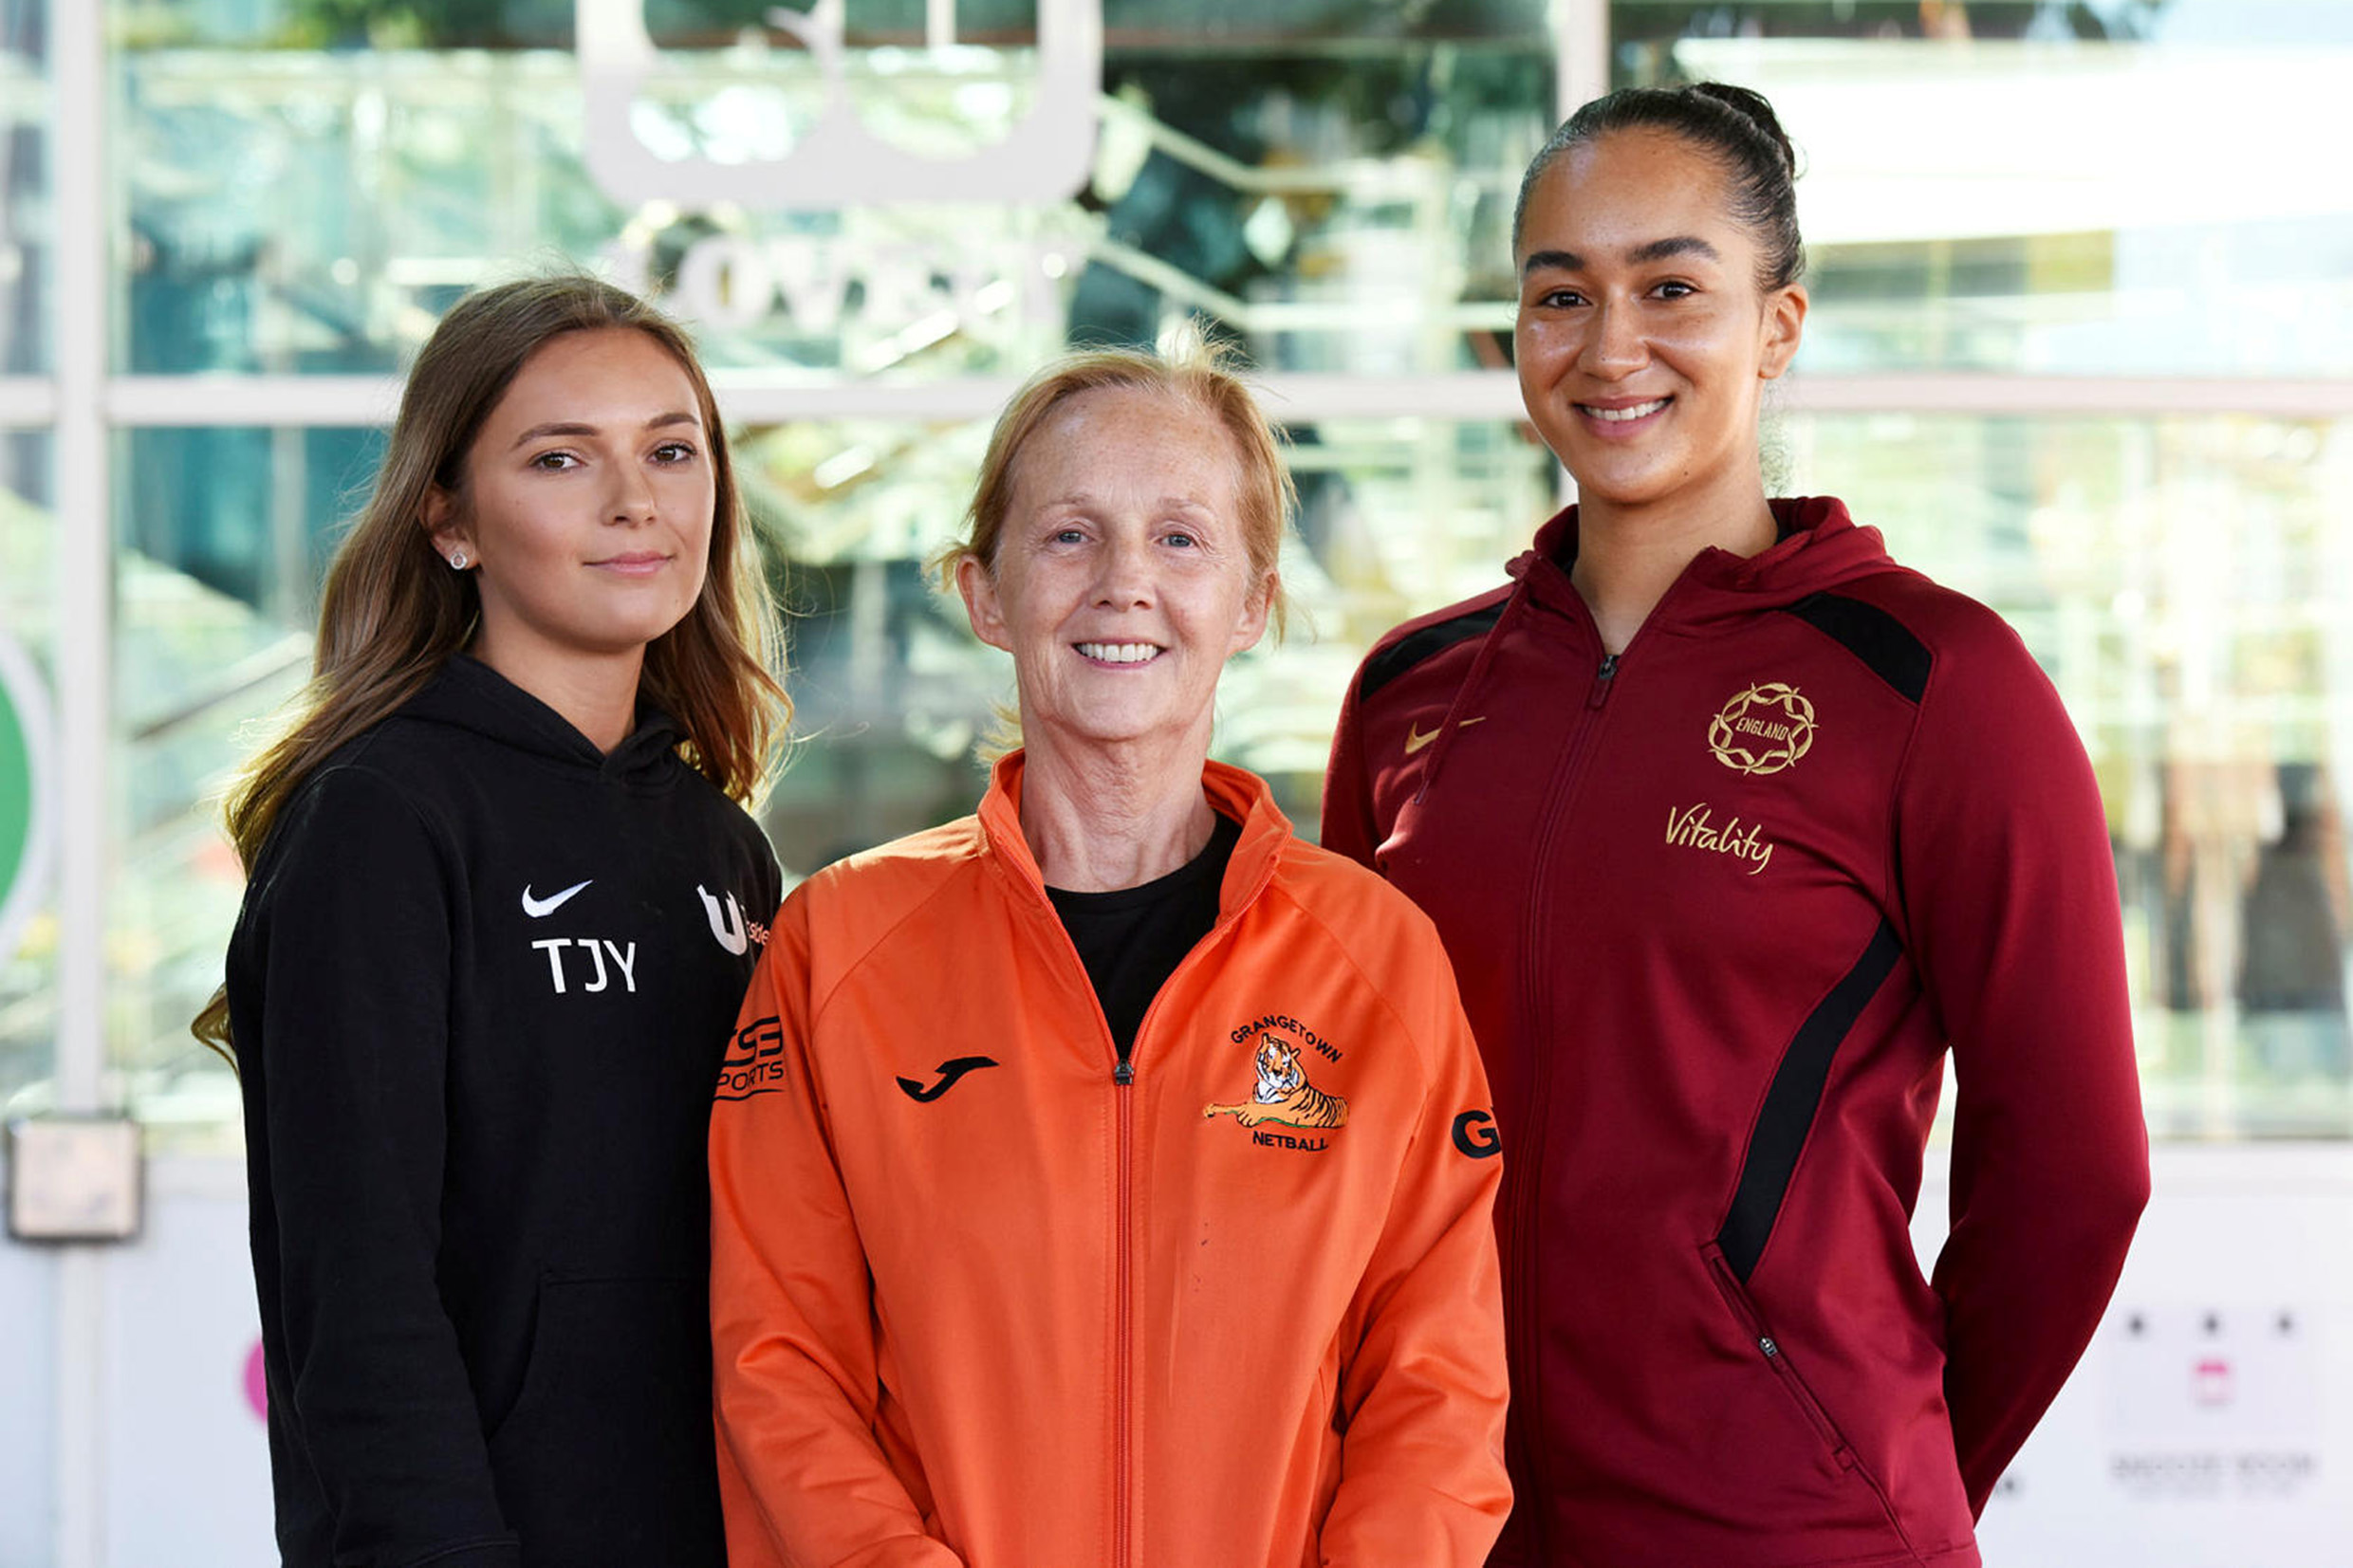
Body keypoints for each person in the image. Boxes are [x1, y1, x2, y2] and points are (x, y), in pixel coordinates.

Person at [1323, 84, 2150, 1568]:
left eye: (1672, 288)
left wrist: (1867, 1458)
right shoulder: (1411, 692)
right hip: (1449, 1527)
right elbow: (1334, 1111)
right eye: (1561, 293)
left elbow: (2079, 1169)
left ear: (1777, 326)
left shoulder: (1934, 683)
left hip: (1793, 1530)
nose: (1610, 346)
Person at [709, 338, 1511, 1568]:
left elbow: (1437, 1387)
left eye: (1180, 538)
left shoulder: (1377, 960)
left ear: (1252, 601)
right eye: (1070, 535)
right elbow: (779, 1362)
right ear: (984, 593)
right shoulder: (839, 945)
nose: (1125, 582)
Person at [194, 275, 787, 1567]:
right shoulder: (378, 819)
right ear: (451, 519)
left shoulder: (724, 849)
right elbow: (359, 1288)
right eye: (560, 458)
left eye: (671, 450)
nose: (635, 501)